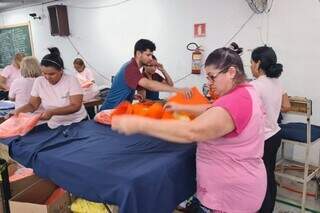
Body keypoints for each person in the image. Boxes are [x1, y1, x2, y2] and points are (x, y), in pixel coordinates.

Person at [112, 46, 267, 212]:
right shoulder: (244, 92)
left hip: (229, 197)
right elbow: (214, 108)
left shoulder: (237, 100)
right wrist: (179, 107)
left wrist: (138, 124)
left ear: (231, 72)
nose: (210, 83)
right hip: (235, 187)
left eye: (212, 77)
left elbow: (191, 131)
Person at [250, 46, 291, 213]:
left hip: (262, 139)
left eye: (251, 63)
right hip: (275, 134)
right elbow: (287, 106)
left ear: (258, 63)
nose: (251, 66)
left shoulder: (254, 86)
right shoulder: (278, 82)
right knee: (269, 175)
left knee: (259, 179)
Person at [100, 39, 191, 110]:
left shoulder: (134, 69)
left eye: (152, 55)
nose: (151, 58)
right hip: (109, 111)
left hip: (120, 111)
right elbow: (149, 84)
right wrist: (178, 90)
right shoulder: (130, 68)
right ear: (138, 54)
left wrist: (133, 96)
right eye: (148, 55)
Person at [13, 47, 87, 129]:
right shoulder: (39, 81)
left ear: (61, 70)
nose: (47, 77)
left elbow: (75, 106)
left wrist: (52, 112)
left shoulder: (71, 80)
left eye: (52, 74)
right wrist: (18, 111)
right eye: (44, 73)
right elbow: (32, 105)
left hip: (77, 123)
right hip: (54, 125)